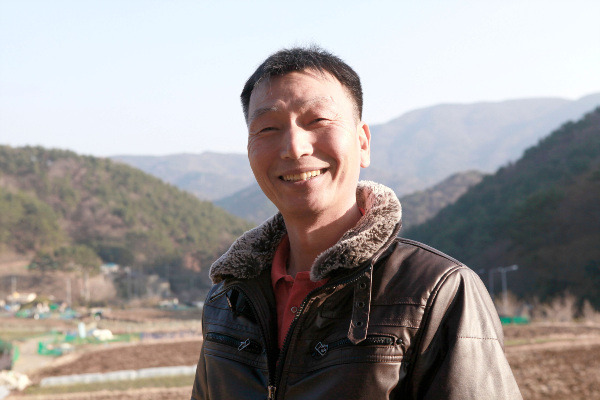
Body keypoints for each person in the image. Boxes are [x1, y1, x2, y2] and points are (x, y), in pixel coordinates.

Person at [191, 46, 522, 400]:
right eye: (268, 128)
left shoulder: (437, 292)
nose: (294, 148)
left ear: (363, 143)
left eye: (317, 120)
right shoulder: (228, 300)